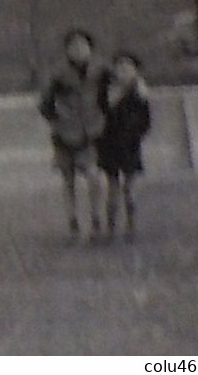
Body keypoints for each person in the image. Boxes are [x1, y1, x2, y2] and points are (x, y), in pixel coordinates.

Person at [38, 28, 107, 241]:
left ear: (90, 48)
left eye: (83, 45)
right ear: (67, 50)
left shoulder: (100, 71)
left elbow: (118, 86)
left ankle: (96, 218)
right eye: (73, 46)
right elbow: (45, 105)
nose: (78, 50)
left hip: (91, 132)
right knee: (68, 180)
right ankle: (72, 220)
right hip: (65, 134)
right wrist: (59, 120)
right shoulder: (58, 75)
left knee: (94, 176)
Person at [96, 51, 152, 242]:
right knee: (112, 188)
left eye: (128, 68)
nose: (124, 71)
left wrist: (135, 135)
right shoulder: (106, 90)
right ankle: (110, 227)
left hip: (130, 146)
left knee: (129, 188)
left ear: (136, 71)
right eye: (120, 67)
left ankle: (131, 225)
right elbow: (99, 114)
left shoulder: (140, 94)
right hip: (109, 145)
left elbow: (146, 121)